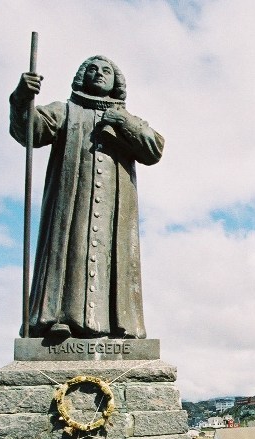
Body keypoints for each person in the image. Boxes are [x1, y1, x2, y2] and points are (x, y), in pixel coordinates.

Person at [10, 56, 164, 339]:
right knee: (70, 252)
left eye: (106, 70)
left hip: (115, 212)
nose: (99, 73)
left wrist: (123, 121)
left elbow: (154, 149)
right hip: (71, 203)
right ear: (82, 76)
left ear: (116, 82)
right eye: (92, 69)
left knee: (112, 261)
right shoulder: (66, 110)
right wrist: (22, 99)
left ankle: (119, 325)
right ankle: (57, 319)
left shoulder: (126, 118)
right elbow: (31, 130)